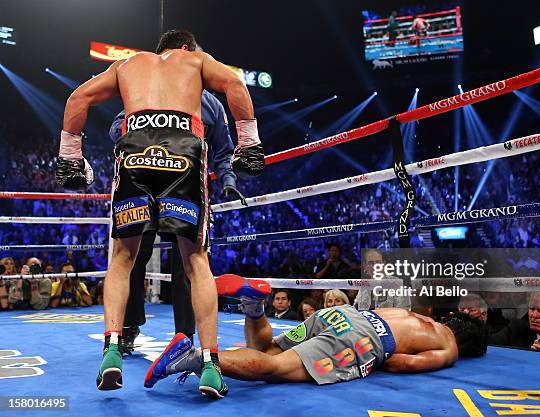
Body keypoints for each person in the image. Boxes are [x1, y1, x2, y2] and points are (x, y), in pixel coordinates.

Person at [56, 29, 263, 397]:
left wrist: (71, 155)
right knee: (196, 260)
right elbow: (234, 83)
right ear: (185, 48)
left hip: (135, 146)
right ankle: (211, 365)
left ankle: (112, 351)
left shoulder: (128, 64)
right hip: (183, 148)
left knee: (122, 257)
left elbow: (79, 97)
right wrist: (249, 142)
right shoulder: (196, 60)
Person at [144, 275, 488, 388]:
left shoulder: (410, 313)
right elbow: (407, 365)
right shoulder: (449, 345)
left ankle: (254, 307)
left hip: (342, 315)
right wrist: (377, 358)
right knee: (276, 370)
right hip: (361, 339)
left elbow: (370, 313)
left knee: (268, 350)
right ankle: (192, 357)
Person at [109, 88, 244, 355]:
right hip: (144, 181)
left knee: (190, 262)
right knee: (132, 257)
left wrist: (228, 179)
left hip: (186, 185)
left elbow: (223, 150)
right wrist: (144, 139)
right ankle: (128, 327)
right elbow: (115, 128)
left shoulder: (210, 104)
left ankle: (185, 336)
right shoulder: (150, 86)